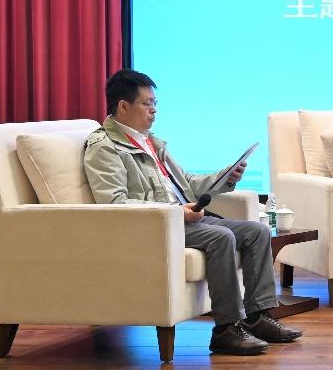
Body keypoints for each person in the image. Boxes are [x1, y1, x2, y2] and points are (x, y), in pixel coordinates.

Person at [83, 69, 302, 356]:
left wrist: (226, 177)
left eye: (155, 104)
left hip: (182, 219)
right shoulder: (104, 147)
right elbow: (114, 203)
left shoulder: (150, 141)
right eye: (147, 104)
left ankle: (258, 317)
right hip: (156, 226)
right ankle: (226, 329)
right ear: (123, 106)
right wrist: (175, 212)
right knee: (221, 237)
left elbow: (186, 183)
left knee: (257, 231)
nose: (154, 110)